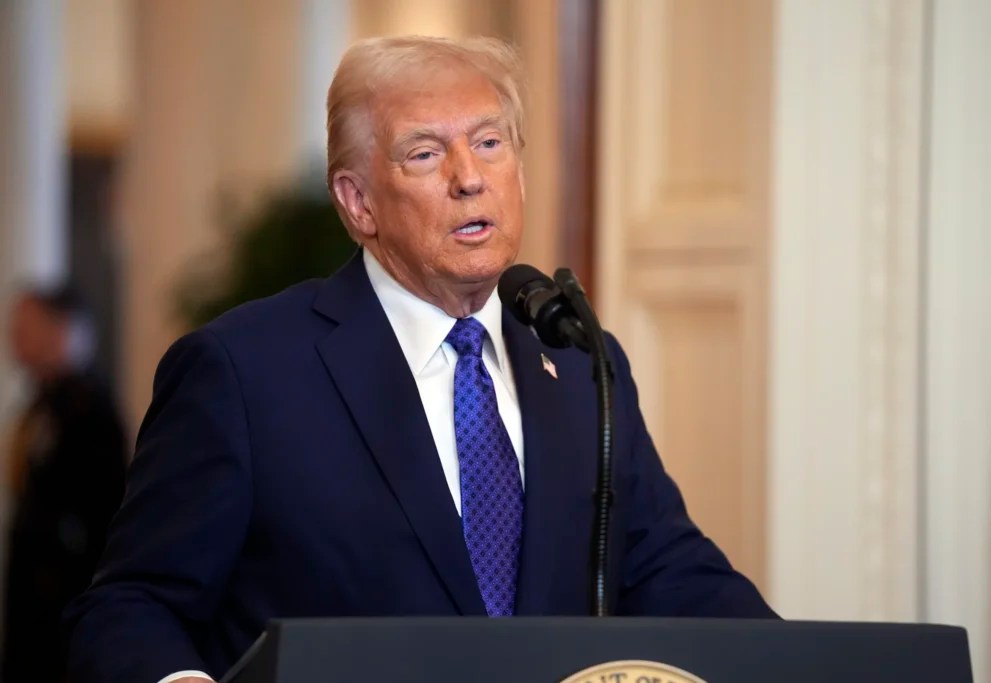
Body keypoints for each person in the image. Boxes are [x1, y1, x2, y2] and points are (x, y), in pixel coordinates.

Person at [64, 36, 776, 683]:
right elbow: (130, 607)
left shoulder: (583, 362)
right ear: (358, 202)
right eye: (426, 154)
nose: (470, 177)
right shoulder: (244, 373)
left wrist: (803, 662)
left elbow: (669, 571)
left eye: (490, 143)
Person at [3, 286, 126, 683]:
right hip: (33, 589)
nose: (13, 335)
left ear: (59, 330)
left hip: (65, 590)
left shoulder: (88, 406)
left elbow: (101, 509)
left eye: (26, 325)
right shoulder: (42, 403)